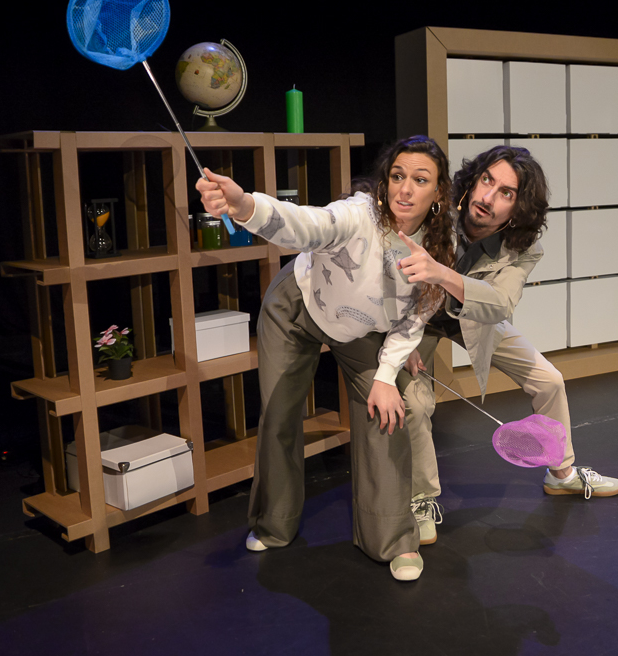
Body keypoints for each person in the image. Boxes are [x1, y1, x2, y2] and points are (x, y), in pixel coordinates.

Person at [195, 136, 454, 581]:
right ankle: (273, 524)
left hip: (356, 328)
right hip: (297, 307)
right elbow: (305, 224)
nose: (405, 189)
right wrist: (244, 205)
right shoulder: (358, 214)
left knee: (386, 409)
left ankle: (393, 539)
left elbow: (416, 318)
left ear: (438, 192)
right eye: (397, 176)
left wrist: (386, 376)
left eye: (420, 180)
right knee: (279, 414)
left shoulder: (439, 246)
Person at [394, 145, 618, 546]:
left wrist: (443, 274)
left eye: (506, 193)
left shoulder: (524, 246)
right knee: (415, 402)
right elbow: (387, 275)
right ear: (473, 179)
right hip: (414, 319)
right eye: (486, 180)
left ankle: (561, 473)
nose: (487, 197)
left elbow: (500, 303)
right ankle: (422, 499)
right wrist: (397, 336)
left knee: (549, 380)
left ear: (518, 208)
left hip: (471, 317)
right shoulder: (435, 210)